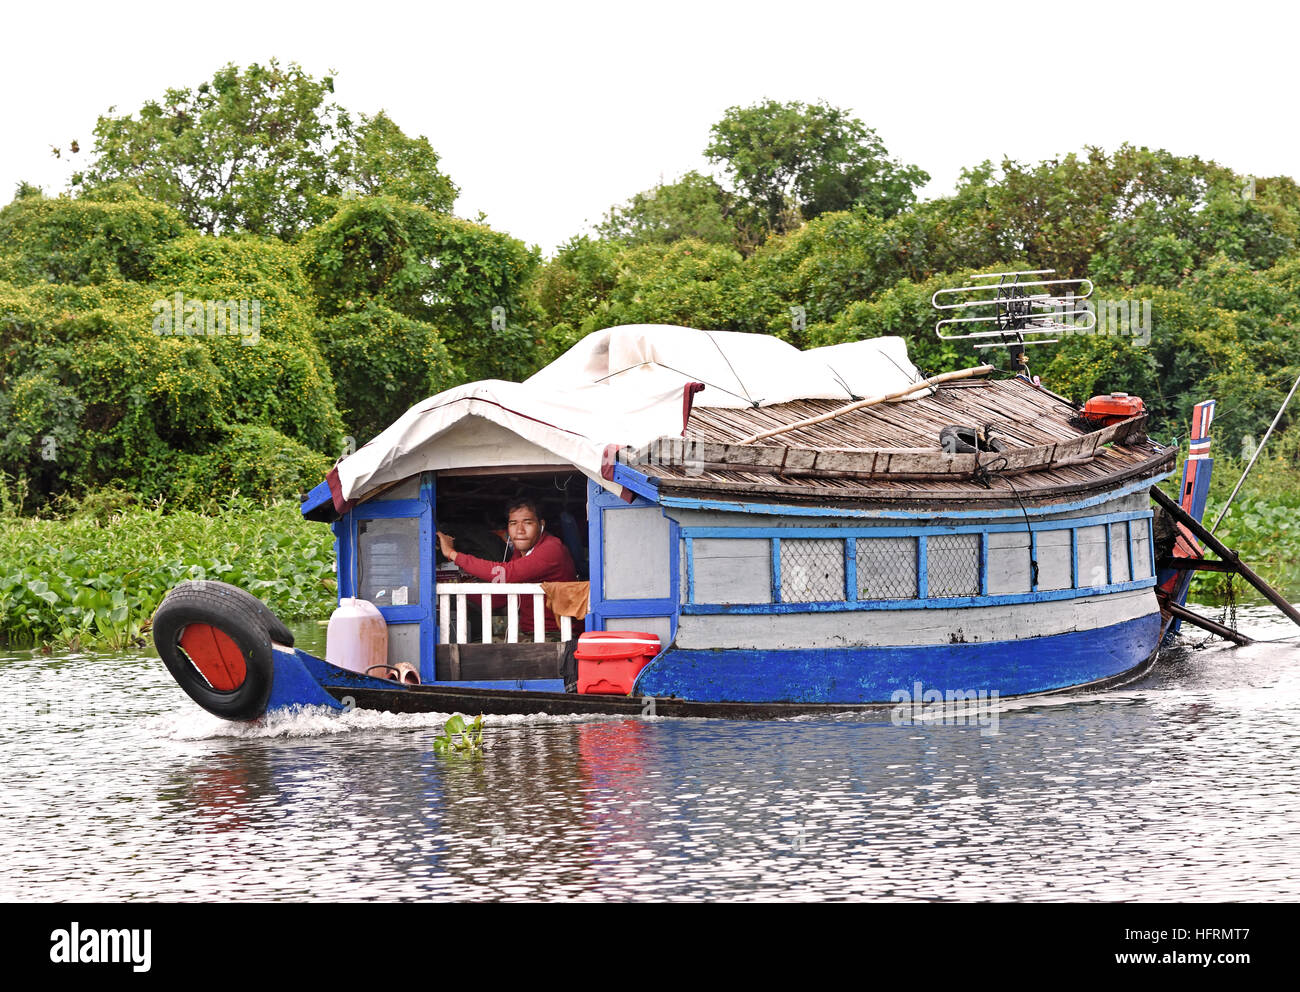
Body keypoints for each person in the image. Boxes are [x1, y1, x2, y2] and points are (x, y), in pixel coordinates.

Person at [436, 498, 578, 634]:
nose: (520, 530)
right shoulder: (520, 552)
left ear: (541, 525)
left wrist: (453, 554)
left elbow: (505, 574)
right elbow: (501, 598)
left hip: (557, 635)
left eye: (527, 523)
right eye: (513, 523)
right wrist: (457, 588)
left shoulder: (552, 548)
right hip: (532, 632)